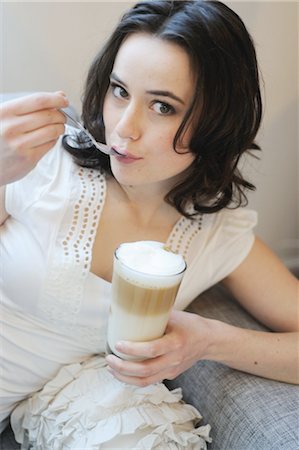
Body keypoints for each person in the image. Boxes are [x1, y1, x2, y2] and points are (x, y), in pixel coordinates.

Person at [0, 0, 298, 448]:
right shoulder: (37, 160)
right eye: (120, 91)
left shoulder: (216, 236)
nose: (124, 128)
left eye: (162, 107)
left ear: (217, 122)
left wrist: (211, 341)